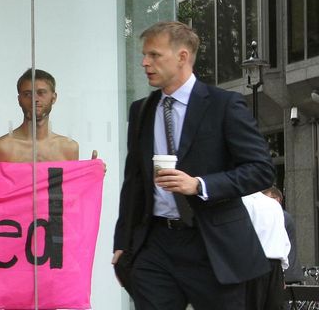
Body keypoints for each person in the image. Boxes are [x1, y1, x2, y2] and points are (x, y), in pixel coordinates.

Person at [112, 21, 274, 309]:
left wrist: (200, 185)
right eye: (144, 55)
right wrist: (123, 243)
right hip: (155, 243)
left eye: (154, 55)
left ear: (182, 57)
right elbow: (133, 181)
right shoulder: (141, 110)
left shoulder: (224, 105)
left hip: (212, 245)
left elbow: (261, 170)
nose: (145, 62)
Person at [0, 69, 80, 162]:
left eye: (41, 93)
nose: (35, 99)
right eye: (27, 94)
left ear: (54, 98)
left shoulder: (69, 148)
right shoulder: (2, 149)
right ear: (19, 100)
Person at [242, 189, 290, 310]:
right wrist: (282, 272)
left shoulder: (243, 202)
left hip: (253, 263)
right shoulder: (274, 205)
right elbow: (283, 240)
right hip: (275, 265)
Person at [263, 186, 302, 285]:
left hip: (285, 273)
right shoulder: (281, 216)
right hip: (285, 272)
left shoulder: (280, 216)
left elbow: (278, 244)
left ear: (277, 199)